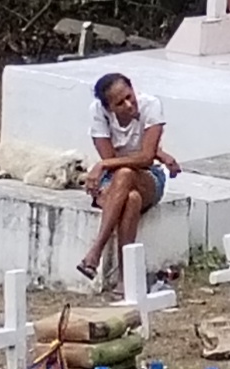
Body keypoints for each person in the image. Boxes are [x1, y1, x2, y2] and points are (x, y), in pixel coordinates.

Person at [72, 71, 178, 288]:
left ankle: (95, 252)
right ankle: (124, 279)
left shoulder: (151, 106)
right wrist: (109, 163)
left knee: (126, 173)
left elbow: (146, 158)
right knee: (131, 199)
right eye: (120, 103)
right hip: (116, 179)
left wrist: (102, 165)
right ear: (109, 108)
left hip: (149, 177)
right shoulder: (98, 113)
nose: (129, 105)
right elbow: (111, 158)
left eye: (130, 96)